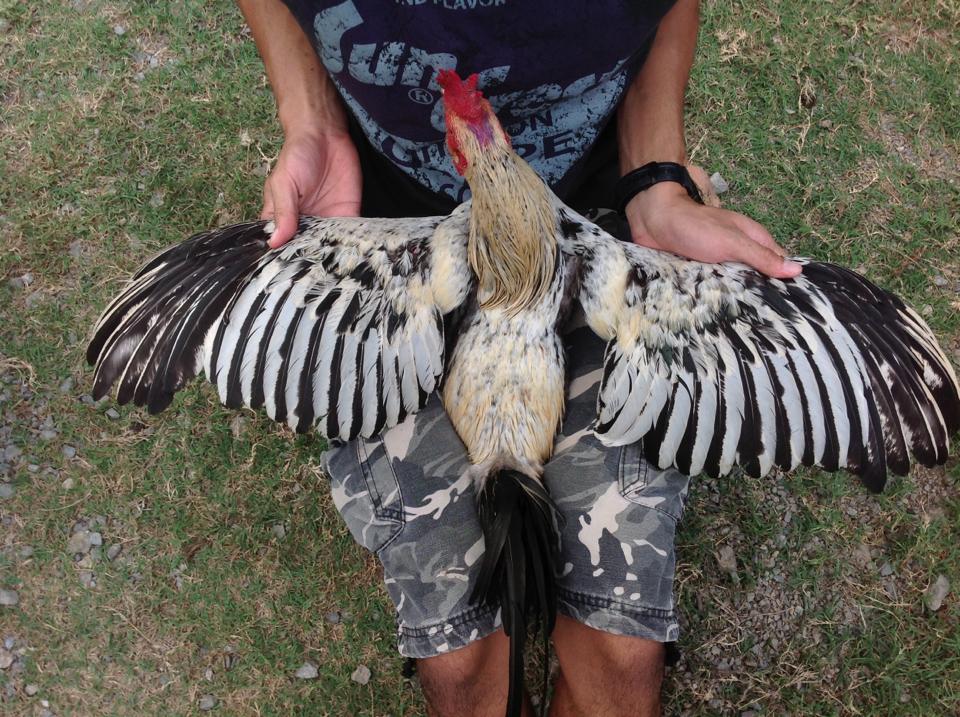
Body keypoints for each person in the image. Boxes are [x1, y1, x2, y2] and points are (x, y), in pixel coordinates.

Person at [236, 2, 801, 715]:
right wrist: (311, 119)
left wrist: (654, 176)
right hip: (383, 242)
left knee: (623, 661)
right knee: (461, 669)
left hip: (597, 230)